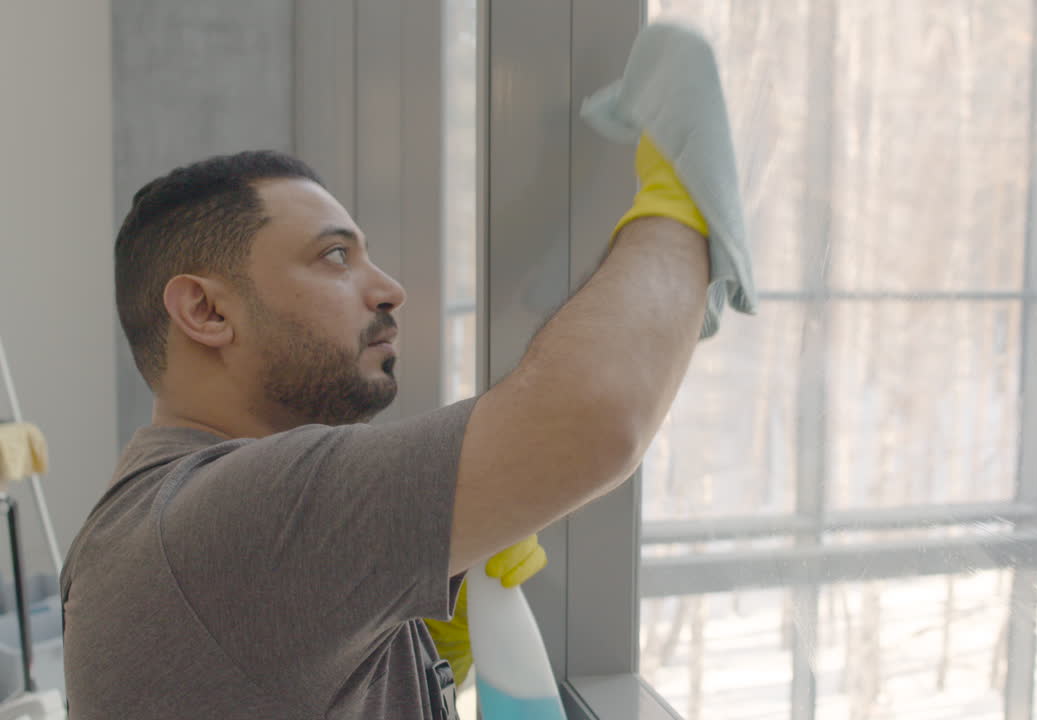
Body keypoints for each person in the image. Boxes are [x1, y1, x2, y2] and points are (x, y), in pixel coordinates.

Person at [58, 116, 718, 718]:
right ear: (206, 312)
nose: (389, 288)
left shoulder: (169, 521)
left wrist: (433, 645)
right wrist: (681, 209)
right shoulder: (230, 520)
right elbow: (593, 416)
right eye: (335, 256)